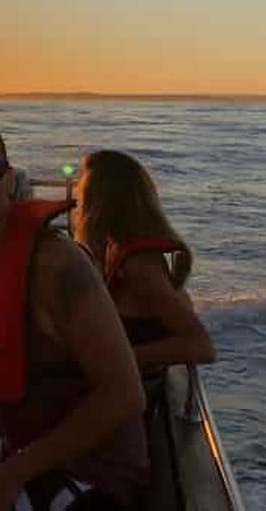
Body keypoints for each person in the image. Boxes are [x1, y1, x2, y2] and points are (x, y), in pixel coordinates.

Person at [0, 112, 149, 511]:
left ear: (9, 179)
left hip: (94, 475)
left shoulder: (57, 265)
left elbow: (126, 394)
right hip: (18, 457)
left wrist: (13, 473)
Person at [70, 150, 216, 373]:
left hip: (132, 389)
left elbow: (201, 346)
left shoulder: (139, 264)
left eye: (81, 192)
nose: (77, 200)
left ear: (97, 202)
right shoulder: (114, 248)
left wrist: (117, 358)